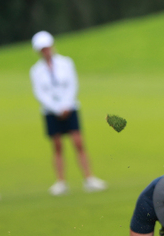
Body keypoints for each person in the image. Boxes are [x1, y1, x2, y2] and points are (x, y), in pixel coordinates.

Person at [29, 31, 107, 195]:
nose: (46, 51)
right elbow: (40, 93)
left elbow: (72, 84)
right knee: (57, 146)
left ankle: (89, 178)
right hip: (50, 111)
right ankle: (61, 182)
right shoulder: (36, 70)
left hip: (70, 107)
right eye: (42, 49)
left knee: (78, 142)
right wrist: (56, 108)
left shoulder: (66, 63)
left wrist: (66, 105)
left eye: (47, 47)